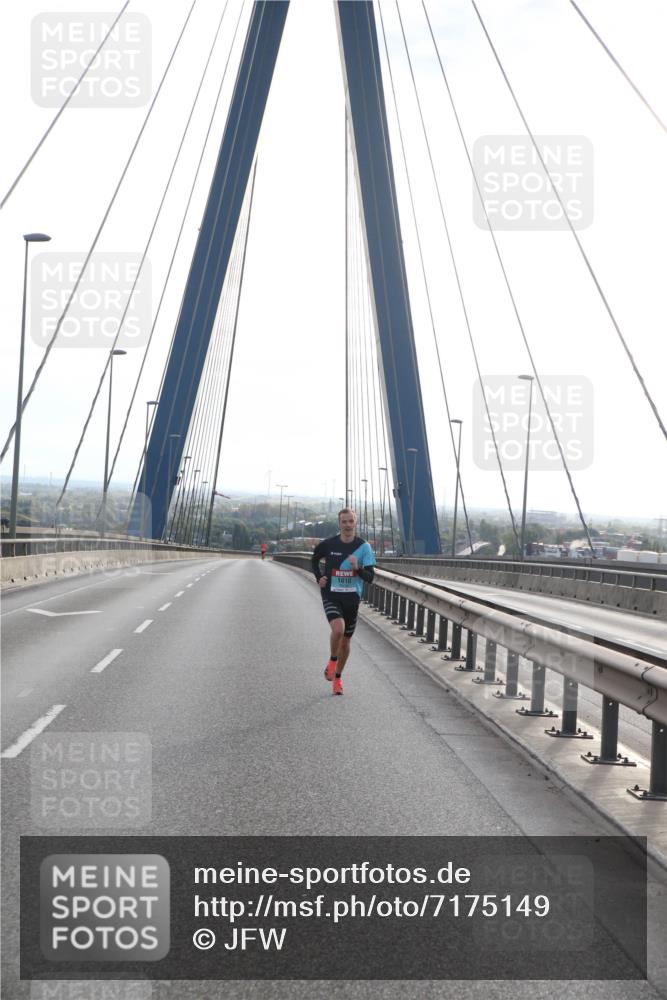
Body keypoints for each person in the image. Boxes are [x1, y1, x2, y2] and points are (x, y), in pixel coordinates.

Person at [311, 508, 375, 695]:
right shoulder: (329, 544)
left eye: (350, 521)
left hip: (352, 598)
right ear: (339, 524)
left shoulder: (364, 547)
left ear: (355, 523)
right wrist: (319, 577)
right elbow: (314, 560)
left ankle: (337, 678)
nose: (347, 525)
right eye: (344, 522)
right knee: (338, 629)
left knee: (346, 641)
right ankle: (332, 661)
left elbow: (370, 577)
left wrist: (357, 568)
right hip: (331, 594)